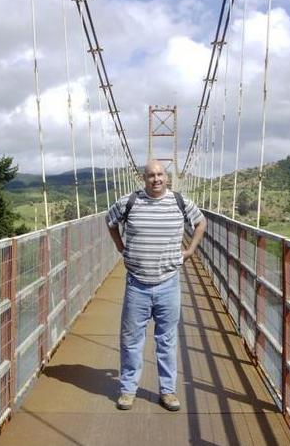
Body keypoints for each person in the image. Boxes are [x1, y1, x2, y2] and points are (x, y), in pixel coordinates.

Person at [106, 160, 206, 411]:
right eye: (151, 175)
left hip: (168, 283)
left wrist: (191, 250)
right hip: (137, 284)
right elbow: (110, 221)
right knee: (131, 340)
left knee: (167, 340)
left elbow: (201, 222)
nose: (156, 179)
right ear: (144, 178)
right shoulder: (128, 202)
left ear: (167, 177)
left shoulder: (180, 202)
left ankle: (168, 391)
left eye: (160, 174)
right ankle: (128, 390)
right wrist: (120, 247)